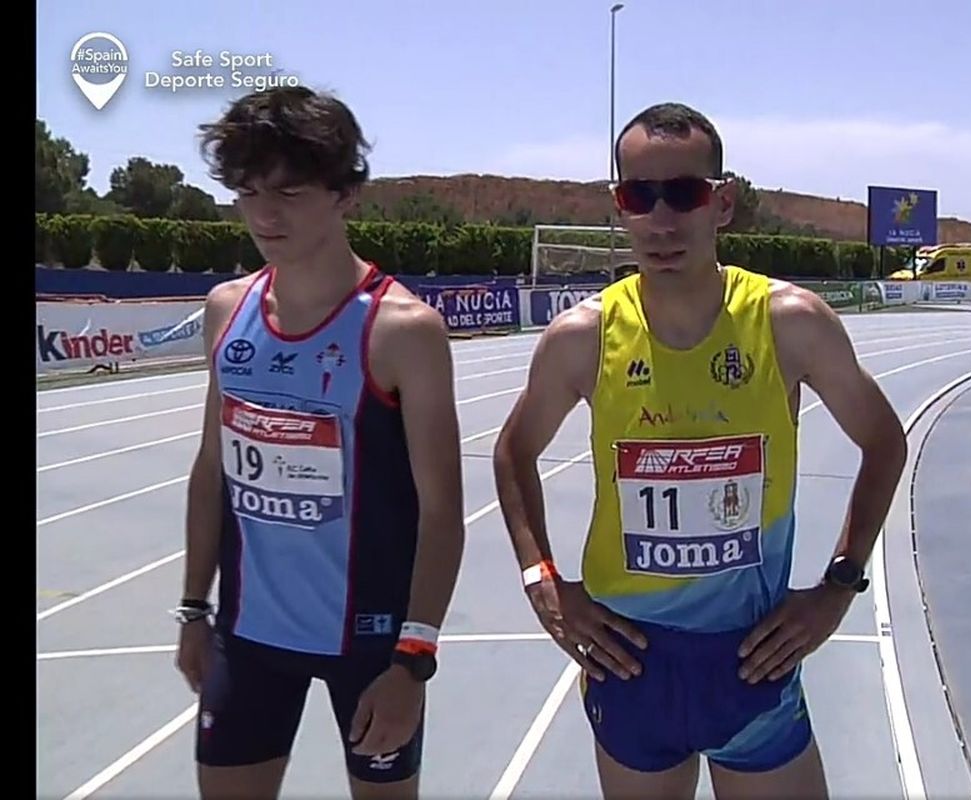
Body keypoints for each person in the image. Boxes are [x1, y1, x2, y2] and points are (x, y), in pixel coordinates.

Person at [492, 102, 908, 798]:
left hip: (751, 663)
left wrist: (839, 585)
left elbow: (884, 442)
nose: (660, 220)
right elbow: (512, 452)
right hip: (632, 664)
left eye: (682, 193)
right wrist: (542, 579)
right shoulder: (583, 337)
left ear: (722, 203)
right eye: (638, 195)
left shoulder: (789, 324)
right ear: (618, 206)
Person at [172, 86, 466, 800]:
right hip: (246, 639)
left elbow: (442, 514)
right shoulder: (227, 309)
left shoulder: (403, 331)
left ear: (346, 194)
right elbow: (213, 471)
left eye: (291, 192)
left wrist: (413, 660)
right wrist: (191, 612)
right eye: (247, 192)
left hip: (370, 648)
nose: (265, 215)